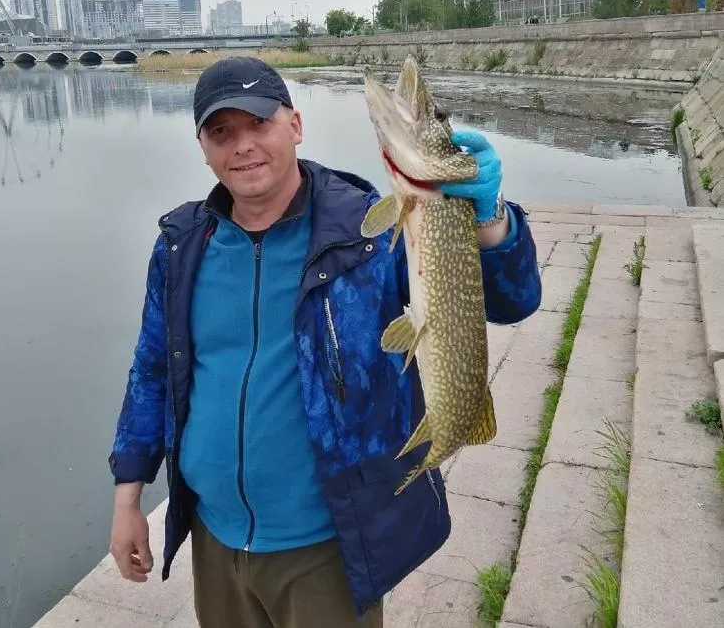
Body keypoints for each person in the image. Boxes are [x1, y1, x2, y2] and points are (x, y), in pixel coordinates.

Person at [108, 56, 542, 628]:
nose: (243, 146)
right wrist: (128, 498)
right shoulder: (181, 246)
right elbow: (152, 372)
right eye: (223, 133)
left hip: (326, 547)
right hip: (216, 539)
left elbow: (513, 300)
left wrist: (489, 221)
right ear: (204, 148)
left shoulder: (369, 230)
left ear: (295, 126)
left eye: (259, 123)